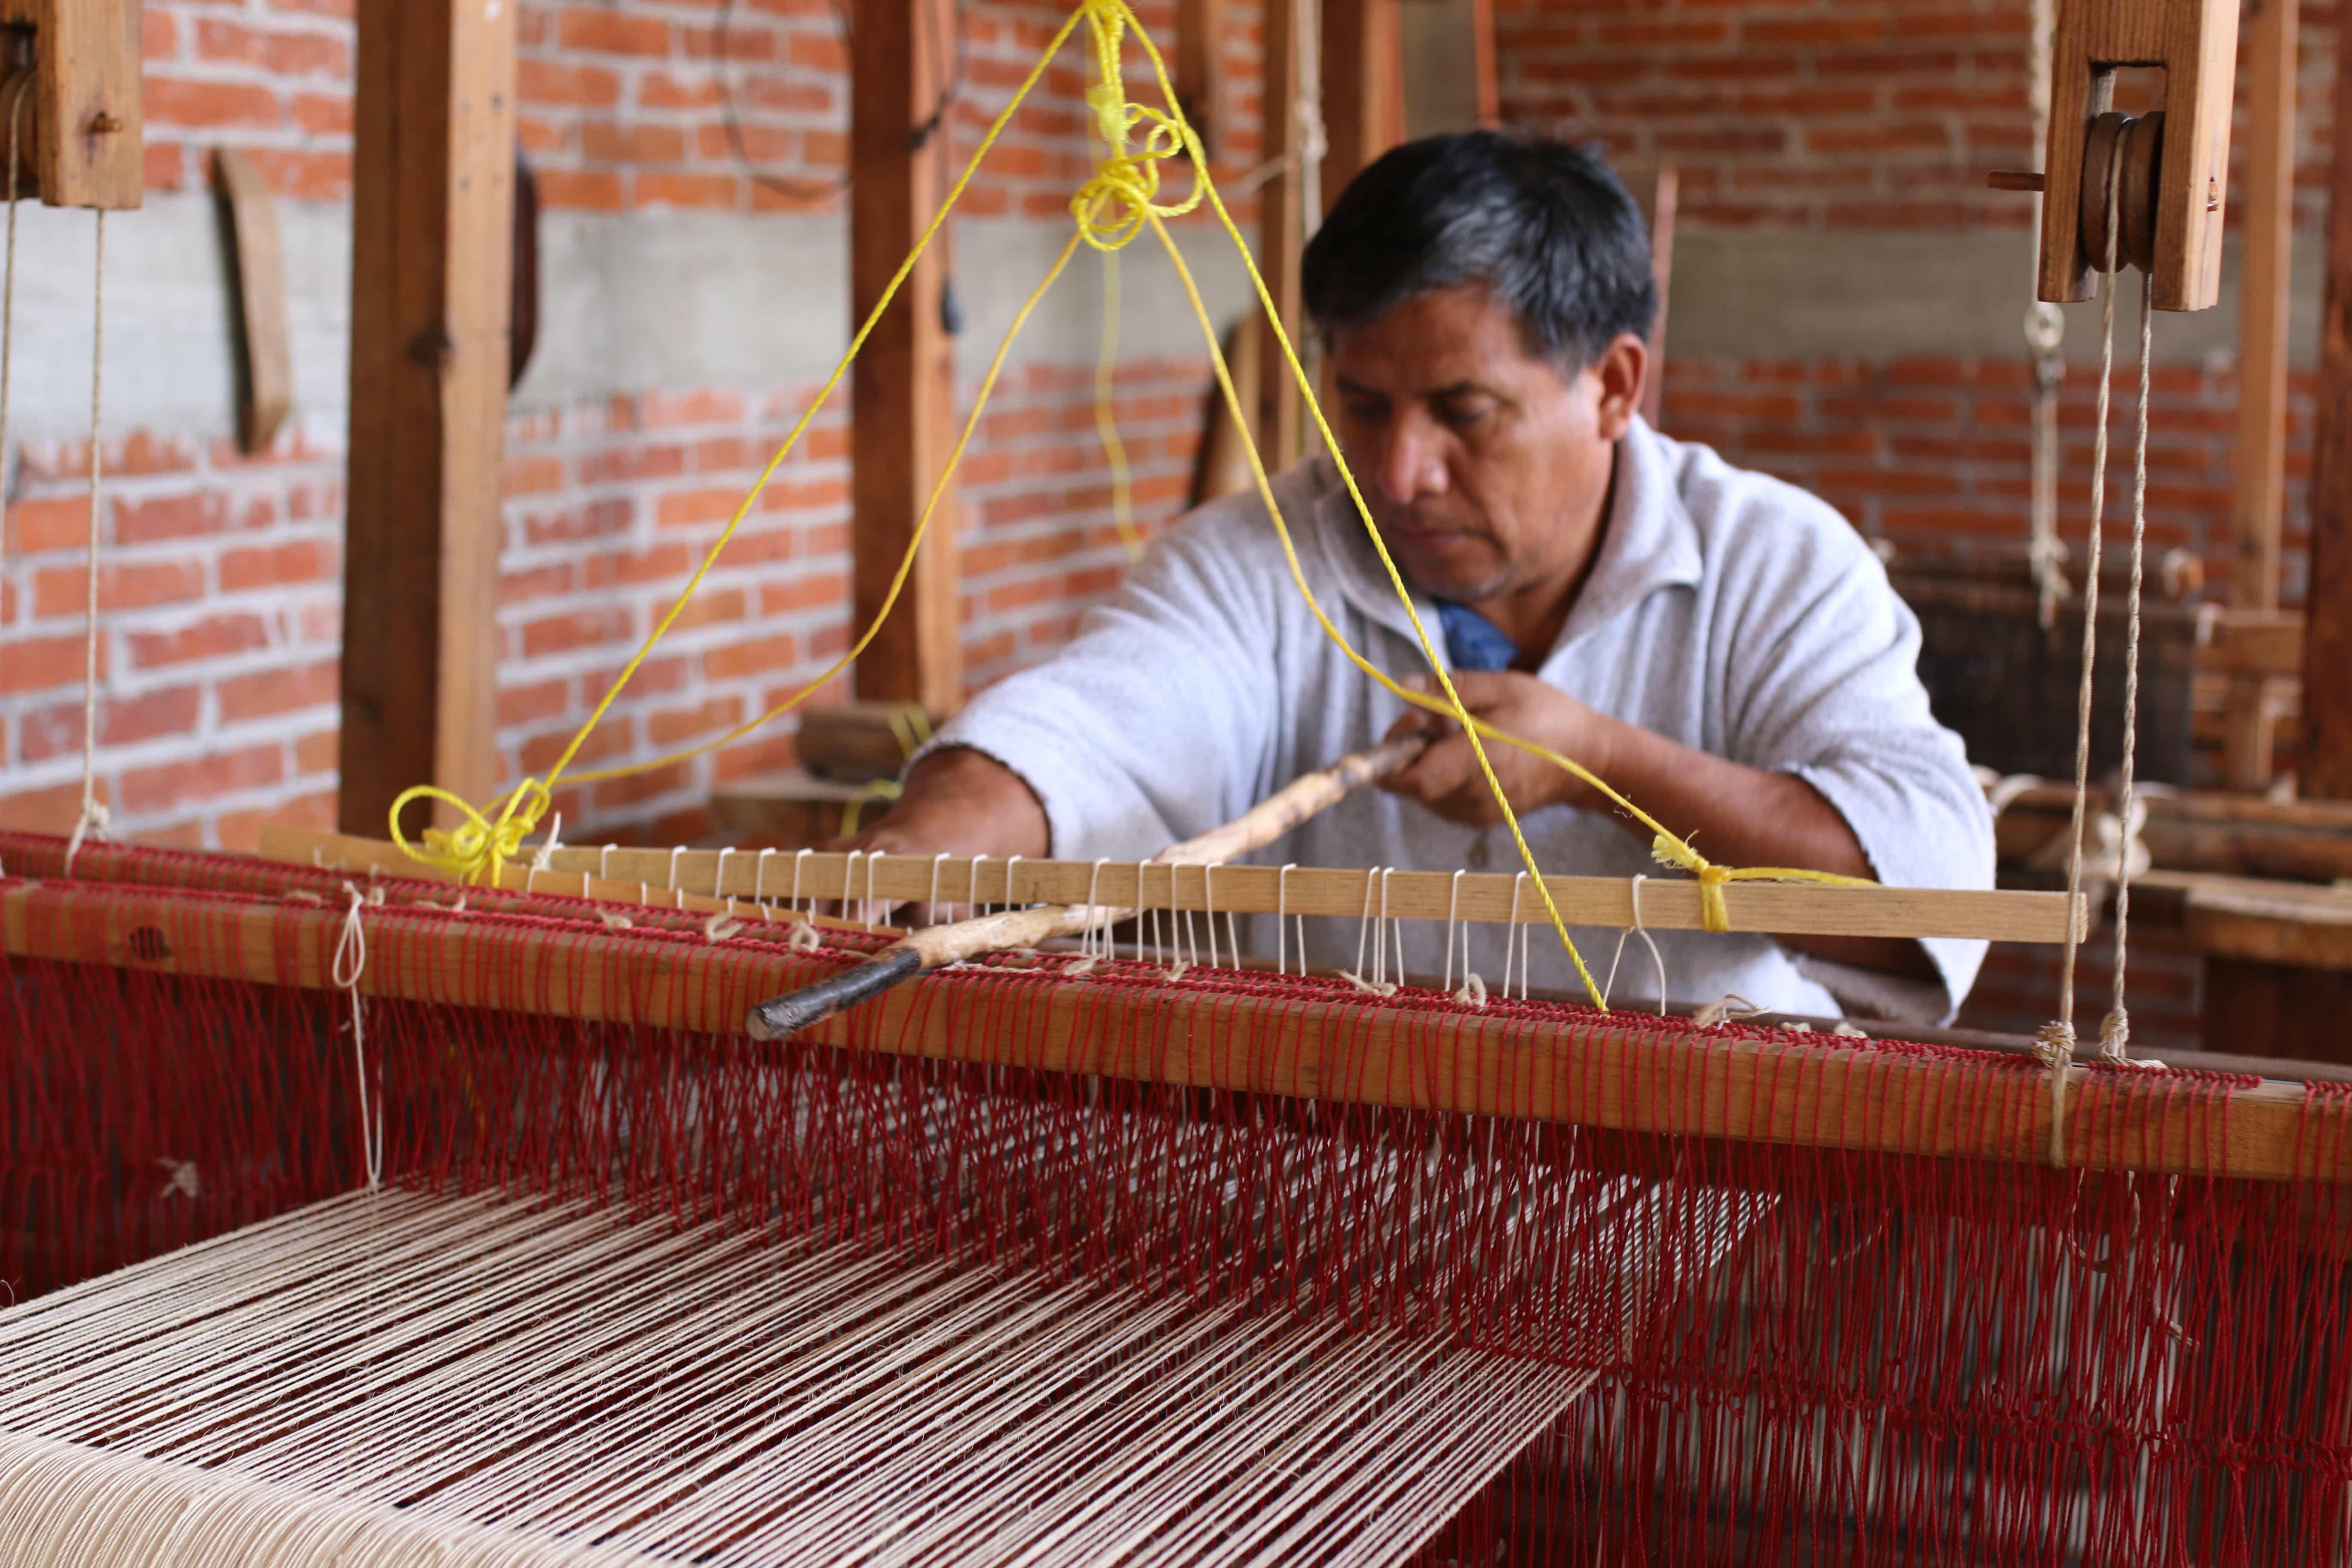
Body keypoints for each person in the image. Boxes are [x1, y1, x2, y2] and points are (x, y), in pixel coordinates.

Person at [847, 130, 1993, 1021]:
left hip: (1694, 1226)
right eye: (1361, 406)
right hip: (1352, 1213)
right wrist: (927, 843)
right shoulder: (1262, 561)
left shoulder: (1778, 567)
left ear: (1613, 386)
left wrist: (1596, 763)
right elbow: (1109, 719)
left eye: (1464, 413)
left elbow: (1931, 901)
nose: (1399, 472)